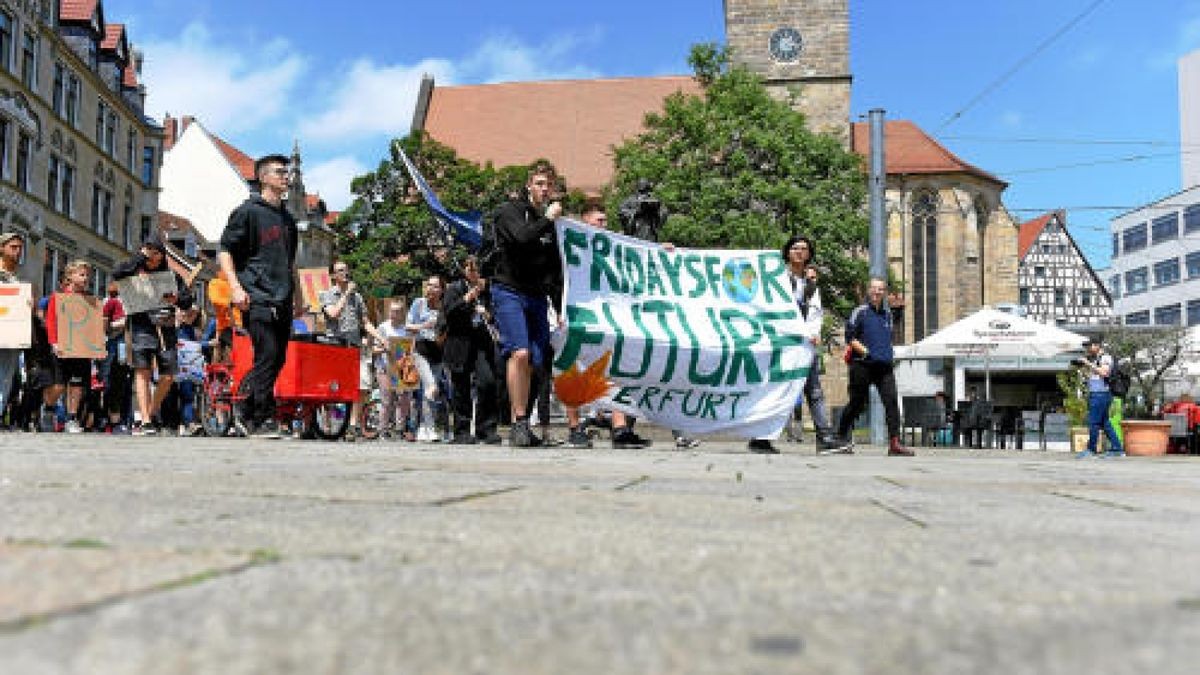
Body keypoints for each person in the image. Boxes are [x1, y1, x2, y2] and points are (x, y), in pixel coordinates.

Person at [218, 153, 299, 440]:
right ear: (264, 177)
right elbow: (224, 250)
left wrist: (297, 296)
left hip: (282, 297)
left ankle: (246, 410)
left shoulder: (288, 220)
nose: (285, 176)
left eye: (287, 172)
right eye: (279, 172)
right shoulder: (247, 211)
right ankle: (264, 419)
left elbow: (290, 262)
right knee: (266, 354)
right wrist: (236, 287)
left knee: (277, 359)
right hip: (256, 295)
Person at [750, 236, 850, 455]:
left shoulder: (811, 286)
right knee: (774, 388)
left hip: (803, 345)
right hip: (780, 344)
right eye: (795, 248)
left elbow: (815, 313)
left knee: (814, 390)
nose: (799, 252)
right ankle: (760, 438)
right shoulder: (777, 279)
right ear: (787, 252)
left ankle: (824, 437)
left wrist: (813, 334)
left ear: (809, 255)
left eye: (804, 249)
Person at [489, 161, 562, 448]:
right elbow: (522, 237)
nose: (545, 190)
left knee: (536, 361)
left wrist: (559, 306)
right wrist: (548, 219)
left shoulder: (552, 226)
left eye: (549, 185)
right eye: (540, 184)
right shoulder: (511, 212)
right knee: (518, 354)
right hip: (508, 290)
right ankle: (519, 423)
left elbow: (555, 269)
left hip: (536, 296)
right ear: (529, 186)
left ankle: (522, 420)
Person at [578, 202, 652, 449]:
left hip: (610, 318)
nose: (603, 225)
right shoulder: (574, 243)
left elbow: (636, 253)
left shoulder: (611, 245)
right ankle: (581, 425)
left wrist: (658, 251)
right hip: (583, 316)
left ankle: (620, 427)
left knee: (619, 368)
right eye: (599, 220)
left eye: (605, 220)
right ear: (585, 220)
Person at [112, 238, 194, 436]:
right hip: (140, 325)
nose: (151, 257)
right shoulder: (131, 270)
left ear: (162, 255)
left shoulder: (171, 275)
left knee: (168, 375)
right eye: (148, 252)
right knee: (142, 371)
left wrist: (177, 299)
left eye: (155, 252)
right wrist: (140, 258)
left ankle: (150, 411)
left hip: (165, 326)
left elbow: (187, 300)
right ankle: (147, 421)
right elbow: (116, 273)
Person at [834, 277, 913, 456]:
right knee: (857, 403)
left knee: (891, 402)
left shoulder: (887, 315)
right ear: (869, 291)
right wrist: (866, 353)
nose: (877, 292)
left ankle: (894, 443)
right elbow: (850, 338)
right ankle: (840, 436)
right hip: (862, 365)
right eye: (874, 289)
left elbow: (888, 337)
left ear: (884, 292)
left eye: (881, 289)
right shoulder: (860, 312)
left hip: (884, 367)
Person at [320, 260, 385, 442]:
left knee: (362, 384)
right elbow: (333, 314)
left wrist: (380, 337)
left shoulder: (357, 298)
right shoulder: (327, 294)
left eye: (346, 270)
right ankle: (328, 425)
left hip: (355, 347)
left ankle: (353, 425)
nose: (344, 273)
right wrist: (346, 294)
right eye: (340, 271)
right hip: (335, 347)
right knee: (331, 388)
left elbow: (365, 322)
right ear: (333, 276)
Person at [441, 256, 501, 444]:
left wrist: (487, 313)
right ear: (464, 271)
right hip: (460, 343)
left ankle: (487, 428)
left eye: (476, 270)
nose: (473, 273)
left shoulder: (486, 291)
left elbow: (495, 316)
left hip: (481, 343)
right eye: (470, 269)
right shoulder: (455, 289)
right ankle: (462, 430)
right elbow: (449, 313)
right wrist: (467, 298)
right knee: (461, 387)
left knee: (488, 382)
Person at [43, 260, 96, 434]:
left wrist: (94, 346)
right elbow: (51, 321)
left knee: (77, 385)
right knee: (58, 385)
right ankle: (49, 408)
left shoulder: (90, 300)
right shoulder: (57, 298)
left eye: (87, 275)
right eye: (82, 274)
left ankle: (71, 418)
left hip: (81, 350)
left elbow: (92, 325)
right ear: (70, 276)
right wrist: (54, 343)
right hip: (61, 348)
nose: (86, 278)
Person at [406, 275, 450, 442]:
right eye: (428, 285)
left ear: (441, 290)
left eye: (435, 286)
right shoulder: (419, 303)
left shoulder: (444, 306)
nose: (430, 289)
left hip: (438, 353)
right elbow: (408, 326)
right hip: (421, 351)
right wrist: (424, 326)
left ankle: (425, 428)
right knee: (431, 386)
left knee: (429, 391)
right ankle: (428, 427)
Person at [1071, 339, 1125, 458]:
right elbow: (1095, 376)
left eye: (1089, 346)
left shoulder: (1105, 358)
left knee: (1093, 422)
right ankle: (1117, 448)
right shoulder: (1095, 359)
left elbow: (1104, 373)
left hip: (1102, 394)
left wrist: (1087, 363)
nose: (1087, 349)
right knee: (1104, 423)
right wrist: (1084, 369)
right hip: (1096, 393)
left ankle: (1092, 450)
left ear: (1097, 346)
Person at [375, 299, 415, 441]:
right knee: (386, 400)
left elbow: (411, 349)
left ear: (403, 313)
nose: (394, 314)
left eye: (397, 311)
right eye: (392, 311)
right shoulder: (382, 328)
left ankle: (399, 429)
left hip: (402, 367)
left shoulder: (407, 329)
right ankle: (383, 430)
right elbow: (373, 349)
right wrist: (384, 349)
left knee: (403, 400)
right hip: (385, 367)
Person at [0, 232, 28, 420]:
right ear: (1, 248)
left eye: (20, 248)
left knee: (6, 376)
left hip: (11, 334)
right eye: (13, 247)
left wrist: (27, 304)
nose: (18, 252)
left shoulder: (18, 277)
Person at [99, 283, 132, 433]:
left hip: (127, 345)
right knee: (108, 382)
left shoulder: (132, 301)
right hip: (114, 343)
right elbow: (104, 324)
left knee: (122, 383)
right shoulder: (111, 301)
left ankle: (120, 419)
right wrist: (121, 323)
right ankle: (106, 417)